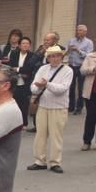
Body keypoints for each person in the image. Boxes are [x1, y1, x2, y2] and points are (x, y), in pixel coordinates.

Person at [28, 45, 72, 173]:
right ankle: (39, 160)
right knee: (40, 135)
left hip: (59, 107)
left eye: (57, 56)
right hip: (43, 105)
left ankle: (55, 162)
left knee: (56, 135)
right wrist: (39, 87)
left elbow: (62, 89)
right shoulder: (42, 69)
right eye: (51, 56)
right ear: (47, 58)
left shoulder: (67, 70)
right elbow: (33, 87)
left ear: (61, 57)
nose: (54, 58)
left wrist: (46, 84)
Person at [10, 38, 38, 129]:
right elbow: (11, 66)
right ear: (19, 45)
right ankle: (15, 122)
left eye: (27, 43)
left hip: (26, 82)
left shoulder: (32, 56)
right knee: (15, 103)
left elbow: (29, 68)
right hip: (15, 81)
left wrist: (18, 69)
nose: (25, 45)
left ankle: (24, 123)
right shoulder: (14, 54)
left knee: (24, 103)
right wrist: (20, 71)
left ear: (30, 45)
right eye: (23, 43)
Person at [67, 24, 95, 115]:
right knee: (71, 86)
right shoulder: (72, 40)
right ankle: (71, 106)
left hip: (81, 66)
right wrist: (69, 50)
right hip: (72, 65)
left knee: (80, 87)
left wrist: (78, 50)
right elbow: (68, 52)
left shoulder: (89, 42)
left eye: (80, 30)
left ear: (85, 32)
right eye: (77, 30)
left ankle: (79, 107)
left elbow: (89, 55)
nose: (78, 32)